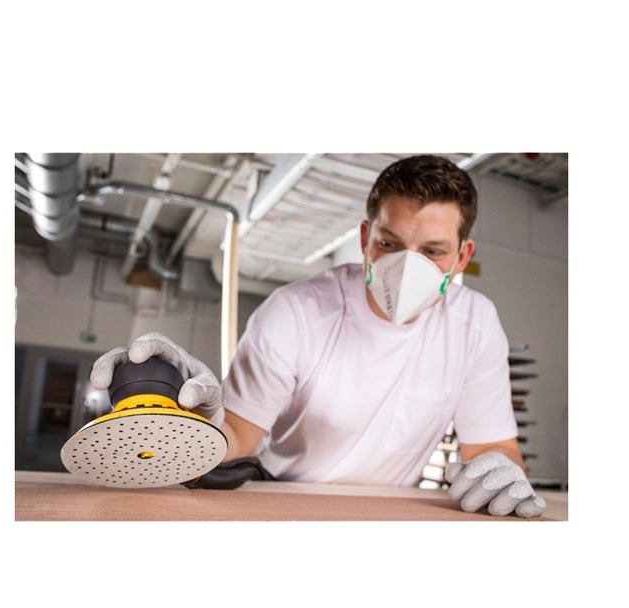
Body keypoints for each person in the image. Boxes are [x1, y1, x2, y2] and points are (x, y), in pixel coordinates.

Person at [91, 155, 546, 518]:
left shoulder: (475, 323)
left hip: (392, 509)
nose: (408, 268)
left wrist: (502, 476)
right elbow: (239, 433)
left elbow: (492, 447)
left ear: (462, 256)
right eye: (388, 244)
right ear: (365, 239)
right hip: (282, 499)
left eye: (432, 252)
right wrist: (187, 420)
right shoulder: (295, 311)